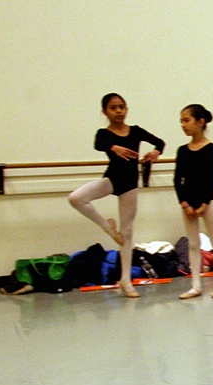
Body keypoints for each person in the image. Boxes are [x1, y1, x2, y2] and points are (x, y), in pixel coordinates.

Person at [68, 93, 165, 298]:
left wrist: (156, 152)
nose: (119, 111)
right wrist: (114, 147)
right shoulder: (104, 133)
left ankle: (125, 280)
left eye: (122, 107)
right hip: (111, 180)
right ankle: (108, 229)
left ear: (126, 109)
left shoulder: (135, 131)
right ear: (105, 112)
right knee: (75, 198)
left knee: (127, 232)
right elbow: (98, 143)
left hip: (130, 185)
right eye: (113, 108)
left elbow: (160, 142)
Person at [174, 104, 213, 299]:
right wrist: (184, 204)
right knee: (193, 244)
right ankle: (195, 285)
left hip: (207, 202)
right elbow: (177, 180)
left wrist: (204, 203)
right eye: (181, 121)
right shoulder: (182, 151)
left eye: (186, 120)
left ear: (200, 122)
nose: (183, 125)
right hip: (188, 203)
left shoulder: (212, 149)